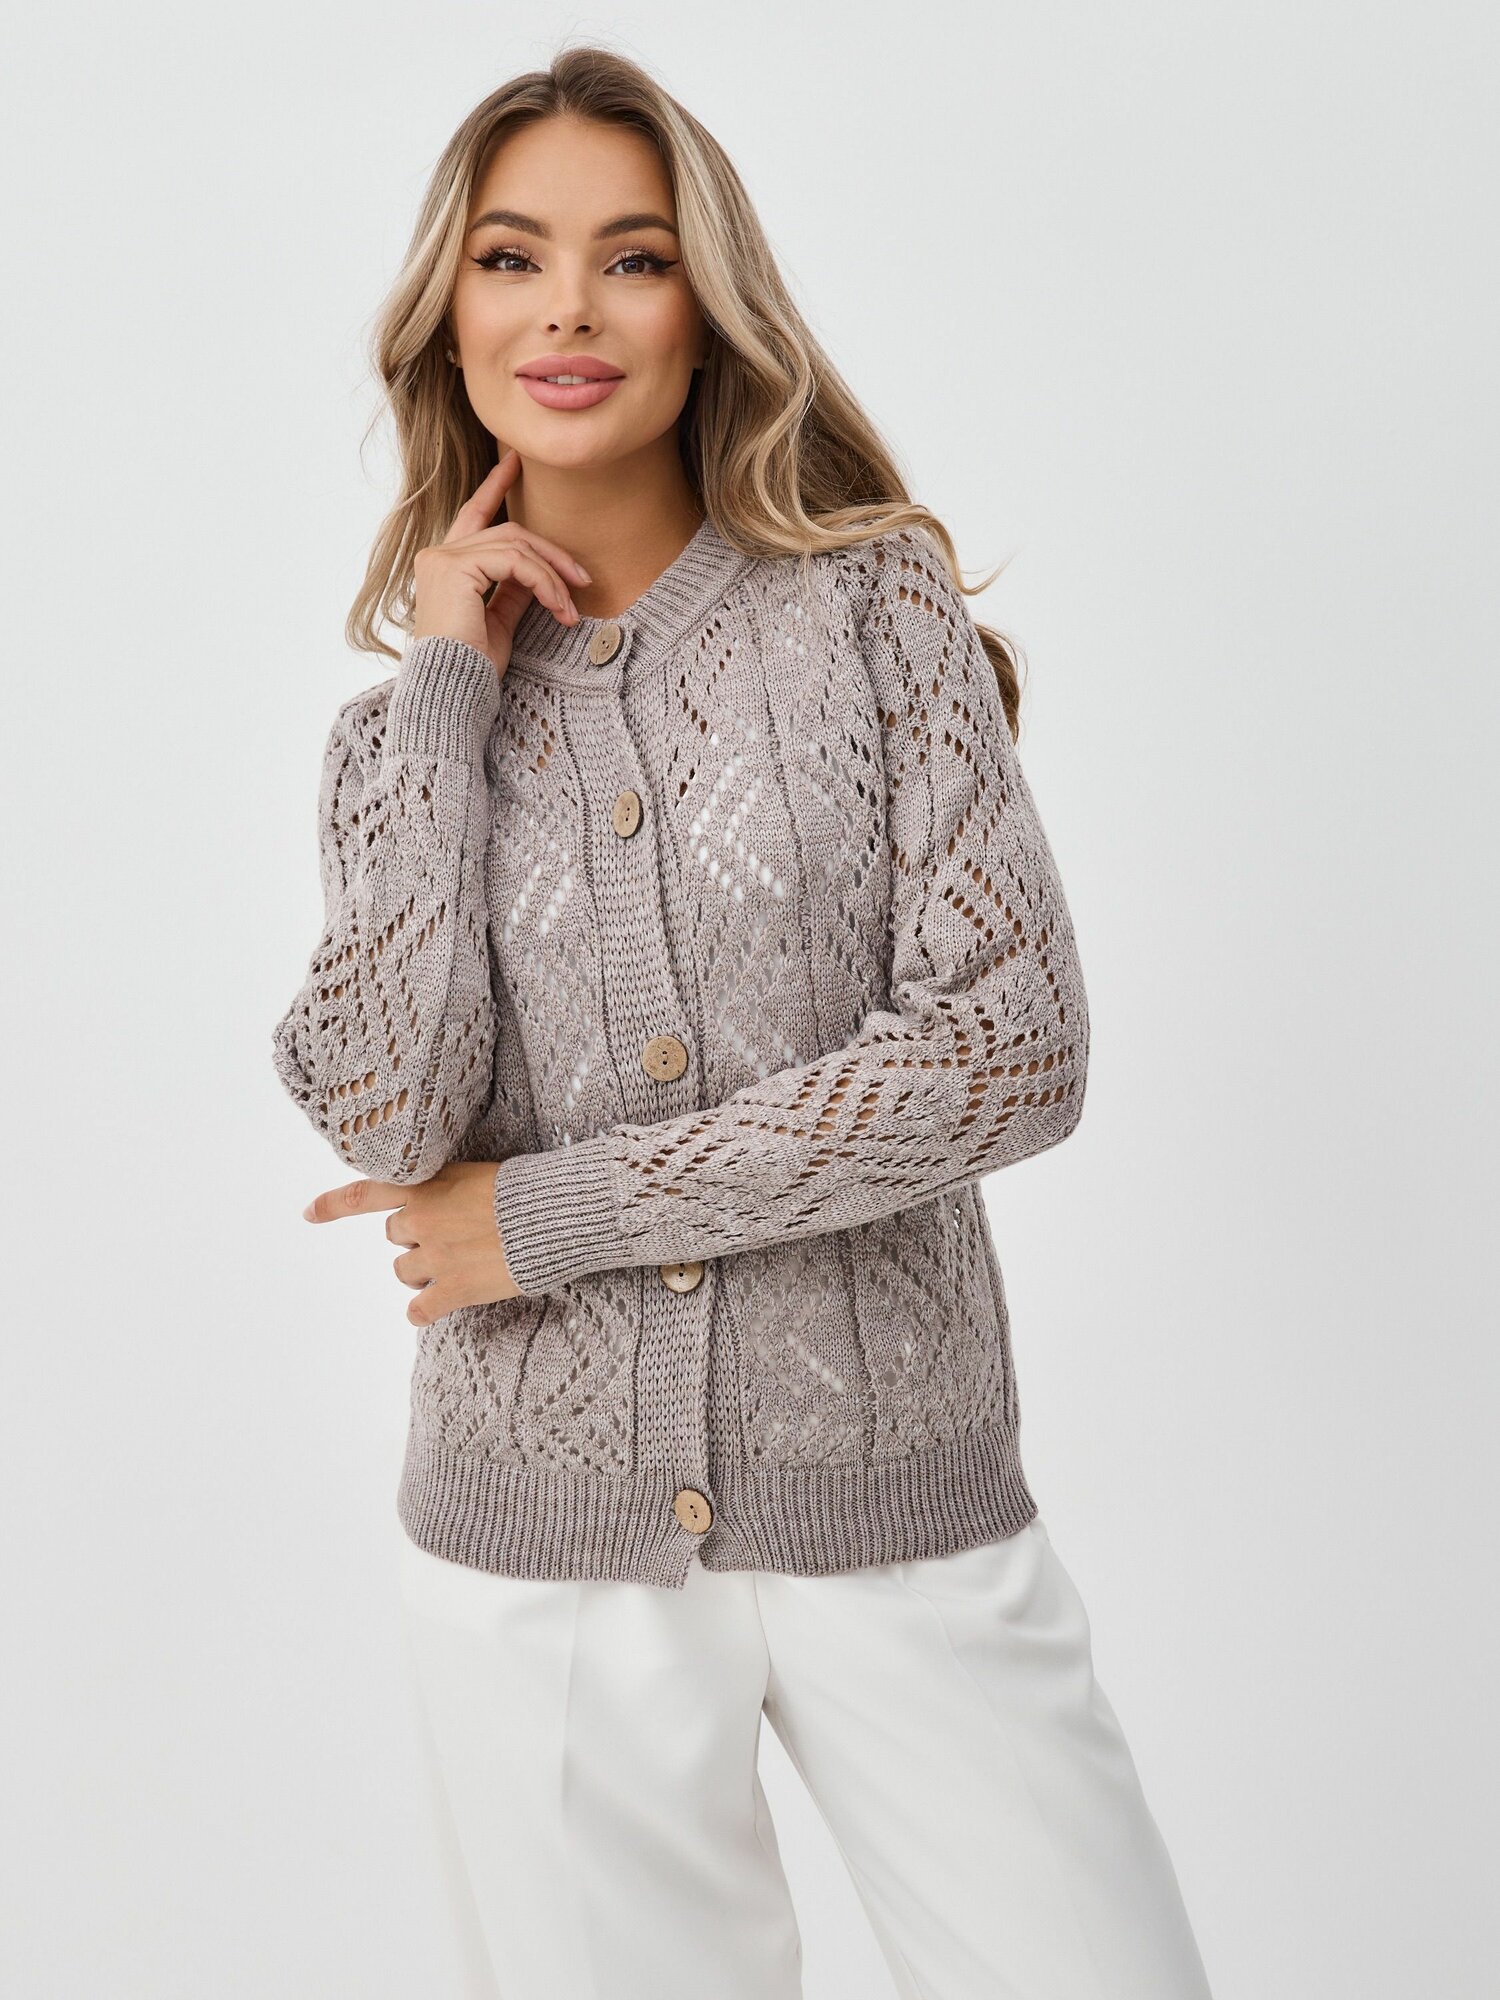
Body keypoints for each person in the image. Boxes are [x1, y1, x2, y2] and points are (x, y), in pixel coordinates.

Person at [271, 44, 1215, 2000]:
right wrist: (447, 686)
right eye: (514, 258)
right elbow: (385, 1110)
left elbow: (1010, 1048)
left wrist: (551, 1217)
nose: (568, 309)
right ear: (449, 317)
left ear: (707, 310)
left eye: (631, 259)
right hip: (540, 1561)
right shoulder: (395, 744)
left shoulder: (871, 611)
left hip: (897, 1490)